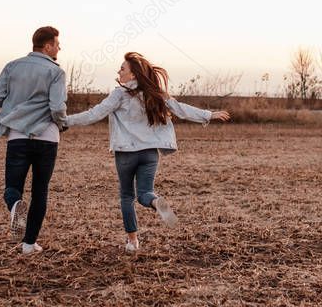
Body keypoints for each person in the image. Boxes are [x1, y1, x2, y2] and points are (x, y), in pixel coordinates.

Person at [64, 52, 230, 252]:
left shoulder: (119, 94)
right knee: (145, 193)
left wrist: (65, 121)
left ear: (133, 75)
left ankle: (132, 242)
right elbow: (180, 108)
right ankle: (155, 201)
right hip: (150, 154)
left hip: (126, 153)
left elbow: (94, 114)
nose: (119, 71)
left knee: (127, 196)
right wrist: (209, 115)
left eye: (123, 68)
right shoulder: (154, 93)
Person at [0, 26, 67, 255]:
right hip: (47, 138)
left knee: (12, 187)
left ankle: (15, 206)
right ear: (47, 46)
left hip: (18, 136)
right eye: (57, 44)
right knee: (40, 190)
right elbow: (57, 108)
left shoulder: (13, 66)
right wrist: (62, 123)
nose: (59, 48)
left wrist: (15, 107)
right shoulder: (56, 72)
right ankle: (29, 243)